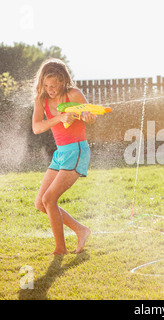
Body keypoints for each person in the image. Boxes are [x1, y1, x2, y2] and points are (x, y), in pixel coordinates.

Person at [32, 58, 96, 255]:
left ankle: (60, 249)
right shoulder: (41, 100)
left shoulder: (73, 94)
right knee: (41, 202)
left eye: (54, 85)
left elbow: (90, 117)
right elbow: (36, 127)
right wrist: (58, 118)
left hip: (77, 150)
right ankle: (81, 230)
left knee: (49, 199)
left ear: (62, 81)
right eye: (46, 85)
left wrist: (87, 116)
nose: (50, 89)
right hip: (60, 153)